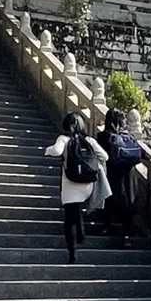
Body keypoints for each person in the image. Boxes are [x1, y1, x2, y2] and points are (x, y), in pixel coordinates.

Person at [45, 112, 109, 262]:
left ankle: (73, 253)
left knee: (70, 218)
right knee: (78, 209)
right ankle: (81, 234)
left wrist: (46, 150)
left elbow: (57, 151)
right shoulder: (89, 140)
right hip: (88, 183)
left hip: (71, 184)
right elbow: (105, 157)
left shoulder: (64, 139)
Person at [94, 108, 143, 239]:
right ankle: (126, 236)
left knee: (108, 201)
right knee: (128, 206)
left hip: (111, 175)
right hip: (129, 175)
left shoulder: (103, 137)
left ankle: (107, 226)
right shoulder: (129, 137)